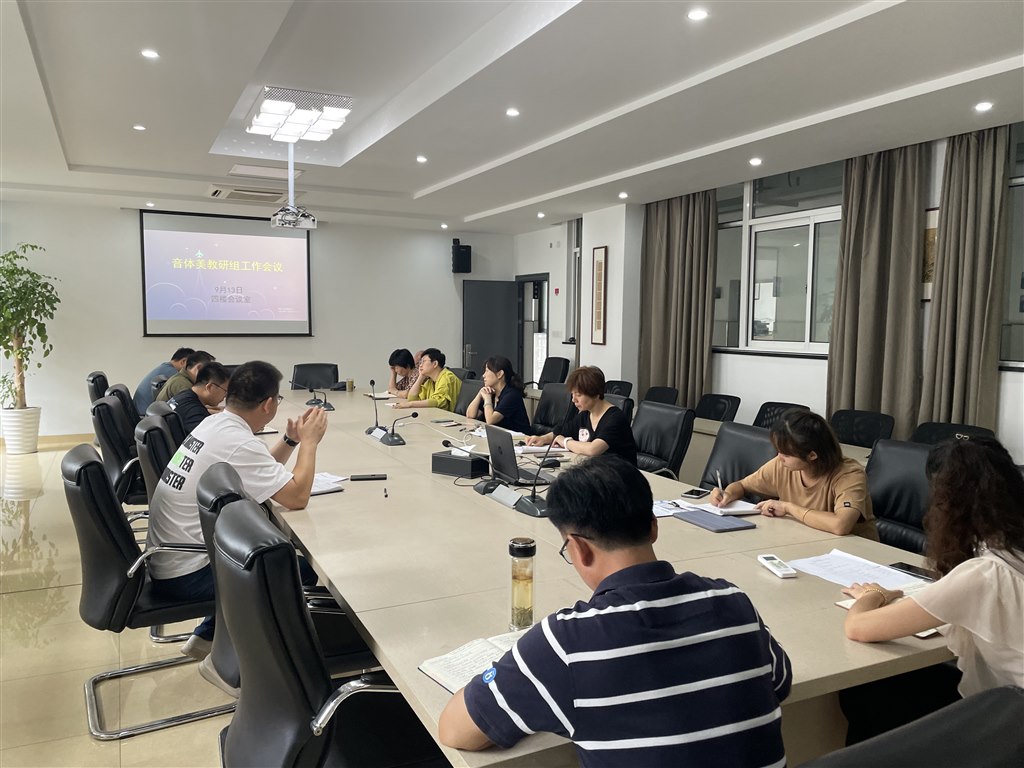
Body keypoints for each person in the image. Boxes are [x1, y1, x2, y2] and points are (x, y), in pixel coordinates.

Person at [439, 455, 792, 766]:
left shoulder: (568, 643)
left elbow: (455, 730)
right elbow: (779, 682)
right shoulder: (734, 602)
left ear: (578, 549)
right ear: (653, 526)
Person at [837, 436, 1024, 743]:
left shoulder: (984, 574)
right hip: (1008, 699)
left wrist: (872, 596)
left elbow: (858, 627)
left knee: (867, 691)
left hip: (1011, 719)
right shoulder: (1010, 548)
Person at [146, 361, 328, 665]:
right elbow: (296, 497)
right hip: (186, 573)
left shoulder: (216, 425)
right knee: (298, 570)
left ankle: (210, 635)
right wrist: (309, 443)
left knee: (268, 547)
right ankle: (248, 658)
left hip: (170, 557)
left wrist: (291, 440)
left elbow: (256, 472)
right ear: (268, 404)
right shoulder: (237, 441)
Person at [710, 409, 877, 539]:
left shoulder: (849, 475)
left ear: (812, 455)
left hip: (855, 555)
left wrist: (788, 507)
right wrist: (728, 494)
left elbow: (840, 525)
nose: (779, 457)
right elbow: (741, 485)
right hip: (805, 540)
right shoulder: (782, 465)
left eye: (786, 454)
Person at [525, 365, 637, 465]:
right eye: (572, 394)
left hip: (621, 475)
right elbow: (561, 432)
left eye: (578, 395)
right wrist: (543, 438)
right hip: (597, 471)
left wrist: (565, 442)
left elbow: (593, 449)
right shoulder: (585, 415)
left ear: (596, 394)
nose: (573, 400)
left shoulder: (615, 418)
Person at [465, 355, 530, 433]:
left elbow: (490, 420)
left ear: (500, 374)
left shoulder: (512, 395)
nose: (483, 375)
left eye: (487, 371)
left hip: (520, 438)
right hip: (500, 436)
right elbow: (470, 415)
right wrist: (479, 394)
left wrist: (487, 399)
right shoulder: (492, 392)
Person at [167, 362, 230, 435]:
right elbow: (211, 437)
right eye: (225, 391)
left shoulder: (184, 395)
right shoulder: (194, 412)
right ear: (210, 387)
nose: (225, 396)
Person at [395, 347, 461, 412]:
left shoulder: (446, 377)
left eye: (423, 361)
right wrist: (421, 377)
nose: (420, 365)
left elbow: (437, 401)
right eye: (420, 362)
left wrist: (410, 404)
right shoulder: (430, 381)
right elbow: (412, 398)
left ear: (435, 364)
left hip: (453, 417)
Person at [133, 347, 193, 413]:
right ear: (183, 361)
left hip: (142, 411)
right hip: (145, 413)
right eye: (191, 365)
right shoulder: (174, 374)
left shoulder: (165, 368)